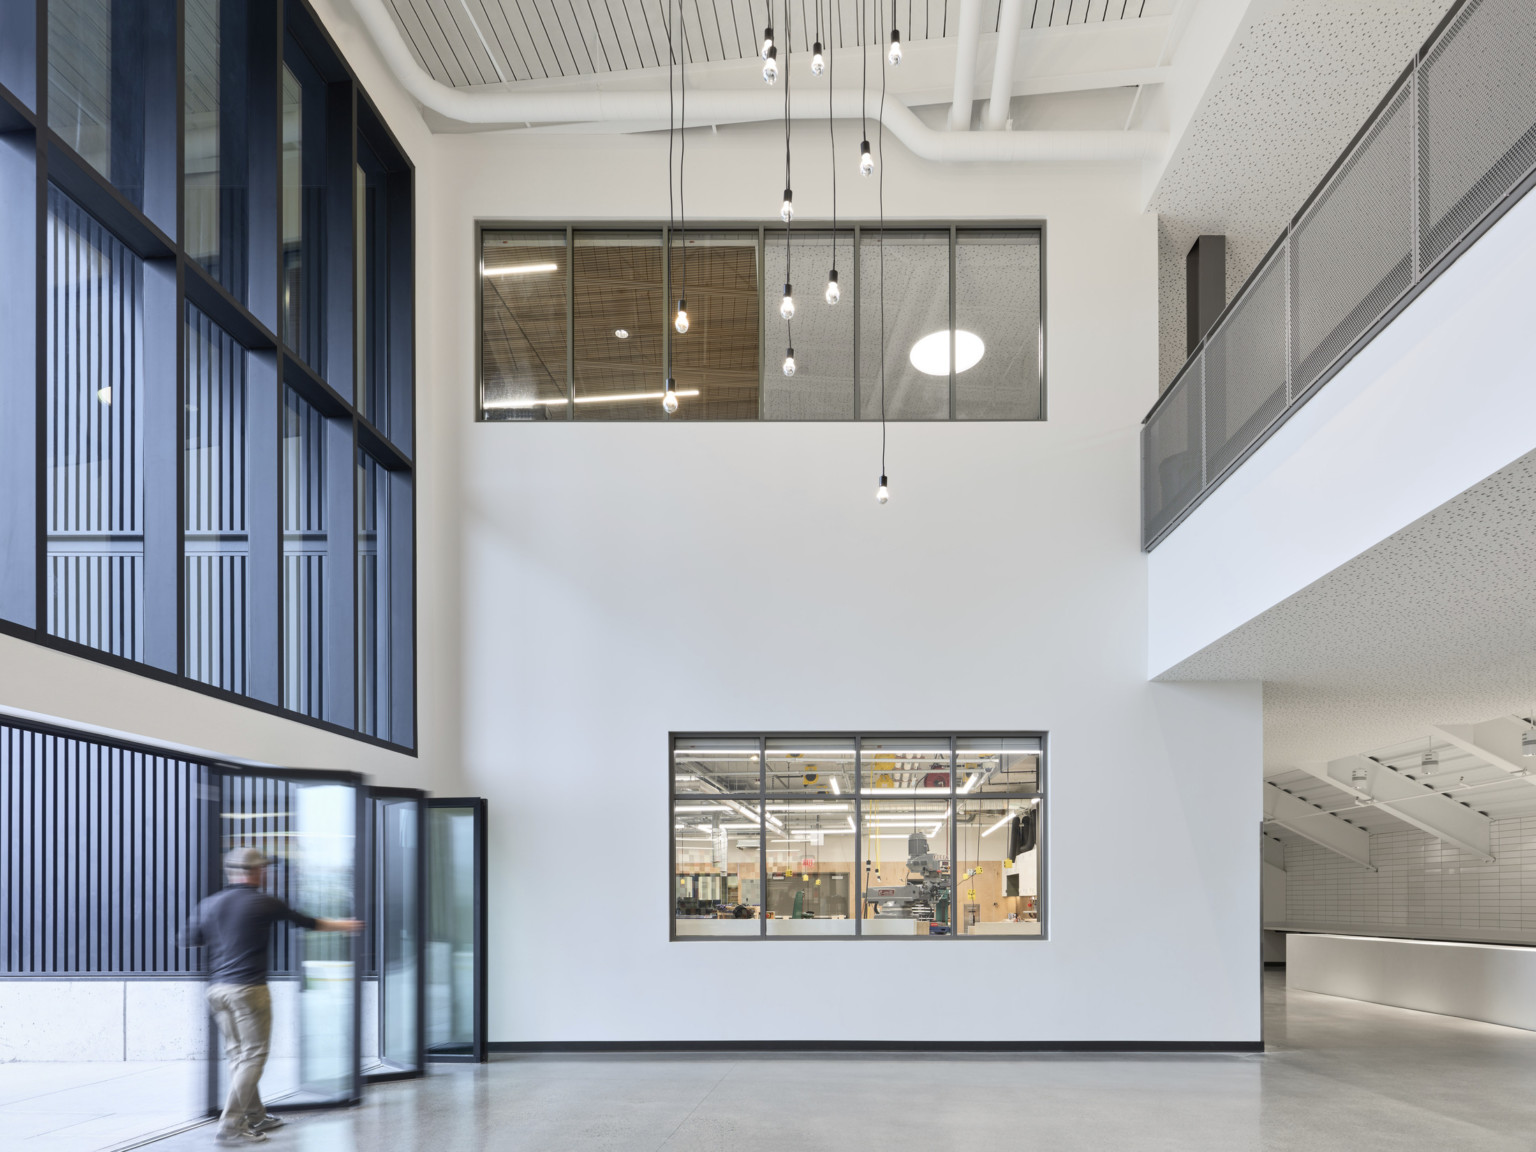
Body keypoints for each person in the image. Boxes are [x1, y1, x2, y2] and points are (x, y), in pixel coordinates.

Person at [185, 847, 362, 1144]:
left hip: (217, 991)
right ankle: (230, 1126)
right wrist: (347, 925)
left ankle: (255, 1115)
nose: (267, 874)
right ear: (256, 872)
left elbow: (189, 940)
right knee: (253, 1057)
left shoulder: (210, 903)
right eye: (264, 869)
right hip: (248, 990)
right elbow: (307, 922)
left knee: (238, 1056)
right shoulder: (263, 902)